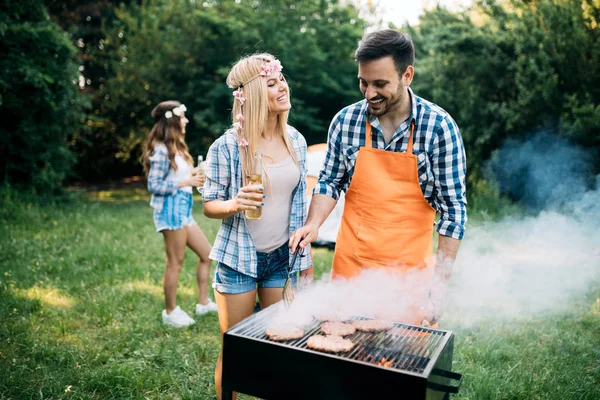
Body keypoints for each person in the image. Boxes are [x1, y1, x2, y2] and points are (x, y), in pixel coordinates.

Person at [290, 29, 467, 327]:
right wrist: (313, 223)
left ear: (407, 75)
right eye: (363, 82)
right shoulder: (345, 121)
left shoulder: (439, 128)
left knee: (402, 365)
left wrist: (439, 284)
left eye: (380, 84)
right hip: (352, 269)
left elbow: (453, 210)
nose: (369, 93)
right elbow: (330, 181)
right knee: (343, 358)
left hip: (410, 277)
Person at [202, 54, 313, 400]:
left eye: (282, 79)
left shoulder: (295, 141)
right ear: (248, 95)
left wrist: (304, 260)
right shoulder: (227, 146)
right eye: (271, 83)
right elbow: (209, 205)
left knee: (281, 347)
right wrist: (235, 203)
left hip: (282, 259)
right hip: (239, 263)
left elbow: (299, 210)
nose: (282, 87)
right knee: (235, 349)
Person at [142, 100, 218, 328]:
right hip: (169, 210)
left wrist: (195, 172)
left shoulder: (177, 147)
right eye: (183, 117)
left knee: (207, 253)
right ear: (172, 120)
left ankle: (203, 303)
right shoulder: (160, 150)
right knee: (175, 262)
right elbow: (154, 185)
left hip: (183, 209)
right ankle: (170, 311)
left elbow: (177, 178)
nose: (186, 121)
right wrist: (186, 180)